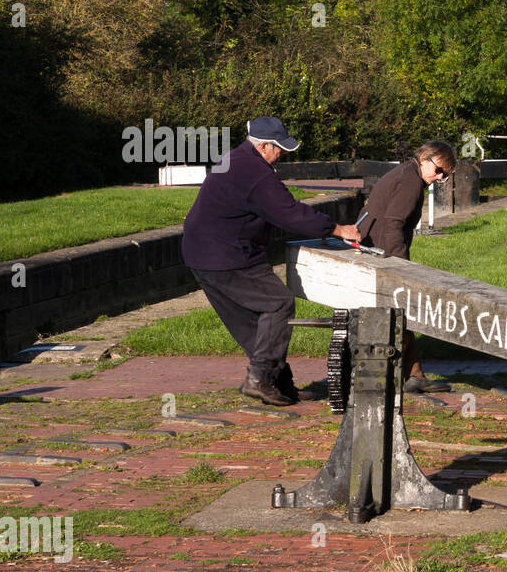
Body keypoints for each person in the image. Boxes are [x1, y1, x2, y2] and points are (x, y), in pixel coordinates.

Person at [182, 116, 362, 406]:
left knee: (253, 324)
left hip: (199, 254)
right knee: (278, 303)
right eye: (279, 149)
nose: (282, 155)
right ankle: (259, 380)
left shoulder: (236, 159)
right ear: (264, 146)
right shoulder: (255, 173)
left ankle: (277, 384)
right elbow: (290, 213)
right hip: (228, 254)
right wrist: (338, 229)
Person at [356, 139, 455, 393]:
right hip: (381, 251)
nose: (440, 177)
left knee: (400, 312)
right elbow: (393, 223)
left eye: (445, 174)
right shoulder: (411, 181)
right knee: (400, 310)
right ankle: (407, 373)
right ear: (424, 159)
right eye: (439, 170)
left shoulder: (406, 173)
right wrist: (401, 266)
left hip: (373, 247)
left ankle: (414, 373)